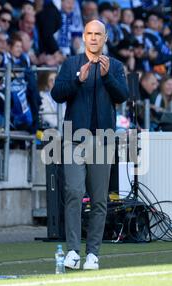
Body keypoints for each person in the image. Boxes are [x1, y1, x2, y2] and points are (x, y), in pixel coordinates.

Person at [51, 19, 128, 270]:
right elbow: (57, 94)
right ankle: (73, 250)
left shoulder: (114, 66)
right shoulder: (71, 64)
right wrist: (77, 80)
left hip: (103, 139)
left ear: (105, 39)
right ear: (83, 37)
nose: (94, 38)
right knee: (73, 191)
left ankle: (93, 253)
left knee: (99, 199)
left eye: (98, 34)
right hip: (74, 137)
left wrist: (106, 78)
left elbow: (122, 96)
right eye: (89, 33)